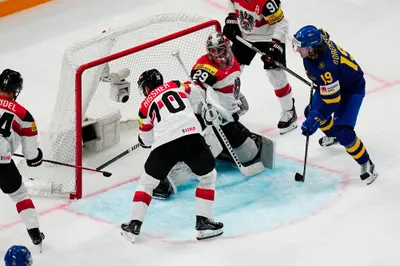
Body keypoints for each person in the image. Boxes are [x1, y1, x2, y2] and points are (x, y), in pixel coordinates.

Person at [151, 32, 276, 199]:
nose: (217, 55)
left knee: (250, 154)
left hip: (226, 118)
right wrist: (192, 96)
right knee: (205, 151)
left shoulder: (232, 60)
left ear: (227, 47)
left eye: (220, 50)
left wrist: (236, 99)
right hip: (211, 119)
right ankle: (170, 178)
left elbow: (228, 85)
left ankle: (220, 149)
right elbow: (196, 91)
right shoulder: (205, 68)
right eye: (213, 51)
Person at [121, 69, 223, 242]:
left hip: (165, 144)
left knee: (146, 184)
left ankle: (133, 226)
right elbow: (197, 94)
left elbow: (147, 140)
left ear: (146, 88)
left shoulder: (144, 106)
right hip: (192, 137)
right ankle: (203, 222)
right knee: (207, 177)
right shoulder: (177, 85)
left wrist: (144, 138)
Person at [292, 25, 378, 184]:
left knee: (343, 131)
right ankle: (332, 134)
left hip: (351, 89)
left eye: (301, 47)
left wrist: (316, 119)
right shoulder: (317, 47)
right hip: (332, 83)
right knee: (310, 111)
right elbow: (323, 32)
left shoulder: (327, 67)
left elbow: (332, 101)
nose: (297, 49)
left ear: (312, 48)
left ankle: (366, 163)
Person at [222, 0, 297, 135]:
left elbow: (282, 23)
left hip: (269, 37)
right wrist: (232, 18)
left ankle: (289, 111)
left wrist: (275, 45)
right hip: (245, 36)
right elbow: (232, 3)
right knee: (230, 71)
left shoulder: (266, 2)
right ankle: (229, 106)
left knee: (275, 75)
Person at [0, 69, 45, 246]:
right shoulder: (24, 115)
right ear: (16, 89)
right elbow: (31, 155)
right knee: (20, 195)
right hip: (2, 162)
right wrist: (36, 157)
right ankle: (34, 233)